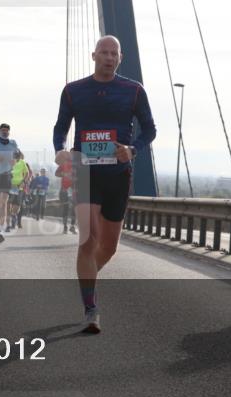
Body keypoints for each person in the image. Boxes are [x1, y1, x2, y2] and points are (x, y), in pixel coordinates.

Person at [53, 35, 157, 334]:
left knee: (109, 247)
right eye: (104, 53)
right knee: (88, 240)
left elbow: (150, 129)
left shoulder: (134, 91)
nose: (109, 58)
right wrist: (60, 149)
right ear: (94, 55)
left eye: (114, 53)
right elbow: (60, 128)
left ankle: (86, 280)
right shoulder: (73, 91)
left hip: (118, 175)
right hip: (85, 172)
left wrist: (132, 149)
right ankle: (91, 309)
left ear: (120, 58)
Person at [8, 151, 31, 229]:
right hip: (9, 186)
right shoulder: (9, 162)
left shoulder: (22, 162)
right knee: (8, 204)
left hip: (19, 187)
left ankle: (13, 215)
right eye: (15, 156)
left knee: (17, 205)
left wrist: (24, 182)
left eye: (17, 157)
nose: (16, 158)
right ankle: (10, 220)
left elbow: (27, 173)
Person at [55, 159, 76, 234]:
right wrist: (63, 174)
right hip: (65, 188)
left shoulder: (78, 163)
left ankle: (72, 226)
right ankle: (65, 227)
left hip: (74, 188)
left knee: (74, 208)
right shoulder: (64, 163)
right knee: (65, 208)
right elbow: (56, 173)